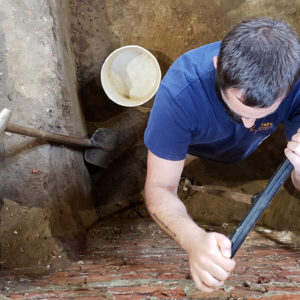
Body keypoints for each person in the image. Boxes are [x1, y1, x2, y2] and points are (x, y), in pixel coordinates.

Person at [144, 17, 300, 292]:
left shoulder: (295, 83)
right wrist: (193, 240)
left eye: (261, 116)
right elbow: (159, 188)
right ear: (218, 67)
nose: (249, 125)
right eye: (239, 112)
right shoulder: (180, 94)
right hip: (196, 147)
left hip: (239, 150)